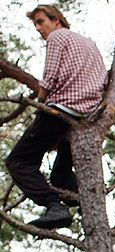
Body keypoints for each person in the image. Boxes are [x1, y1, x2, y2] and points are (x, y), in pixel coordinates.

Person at [5, 4, 107, 230]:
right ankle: (86, 207)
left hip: (61, 109)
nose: (38, 29)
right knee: (60, 175)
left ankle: (54, 206)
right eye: (36, 24)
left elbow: (49, 77)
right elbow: (103, 79)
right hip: (86, 114)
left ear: (56, 20)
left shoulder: (57, 37)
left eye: (41, 22)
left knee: (18, 161)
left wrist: (39, 104)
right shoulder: (88, 43)